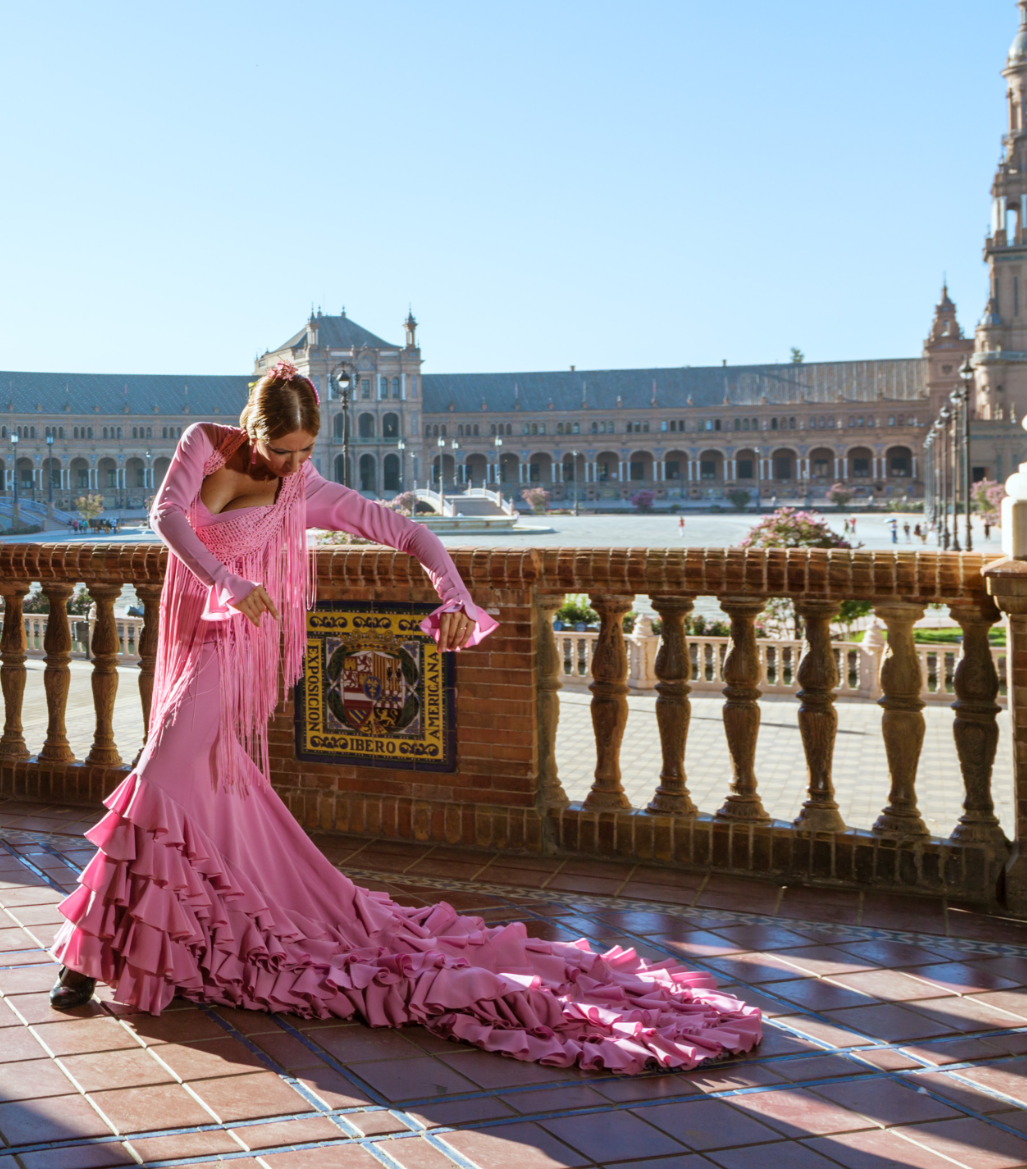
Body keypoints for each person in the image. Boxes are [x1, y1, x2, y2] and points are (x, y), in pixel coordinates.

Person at [47, 366, 760, 1074]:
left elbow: (411, 533)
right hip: (203, 623)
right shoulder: (202, 443)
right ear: (251, 428)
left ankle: (90, 956)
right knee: (186, 786)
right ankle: (164, 942)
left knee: (160, 774)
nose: (294, 465)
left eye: (305, 450)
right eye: (281, 450)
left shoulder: (312, 490)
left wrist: (452, 594)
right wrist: (228, 580)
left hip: (242, 644)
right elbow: (166, 517)